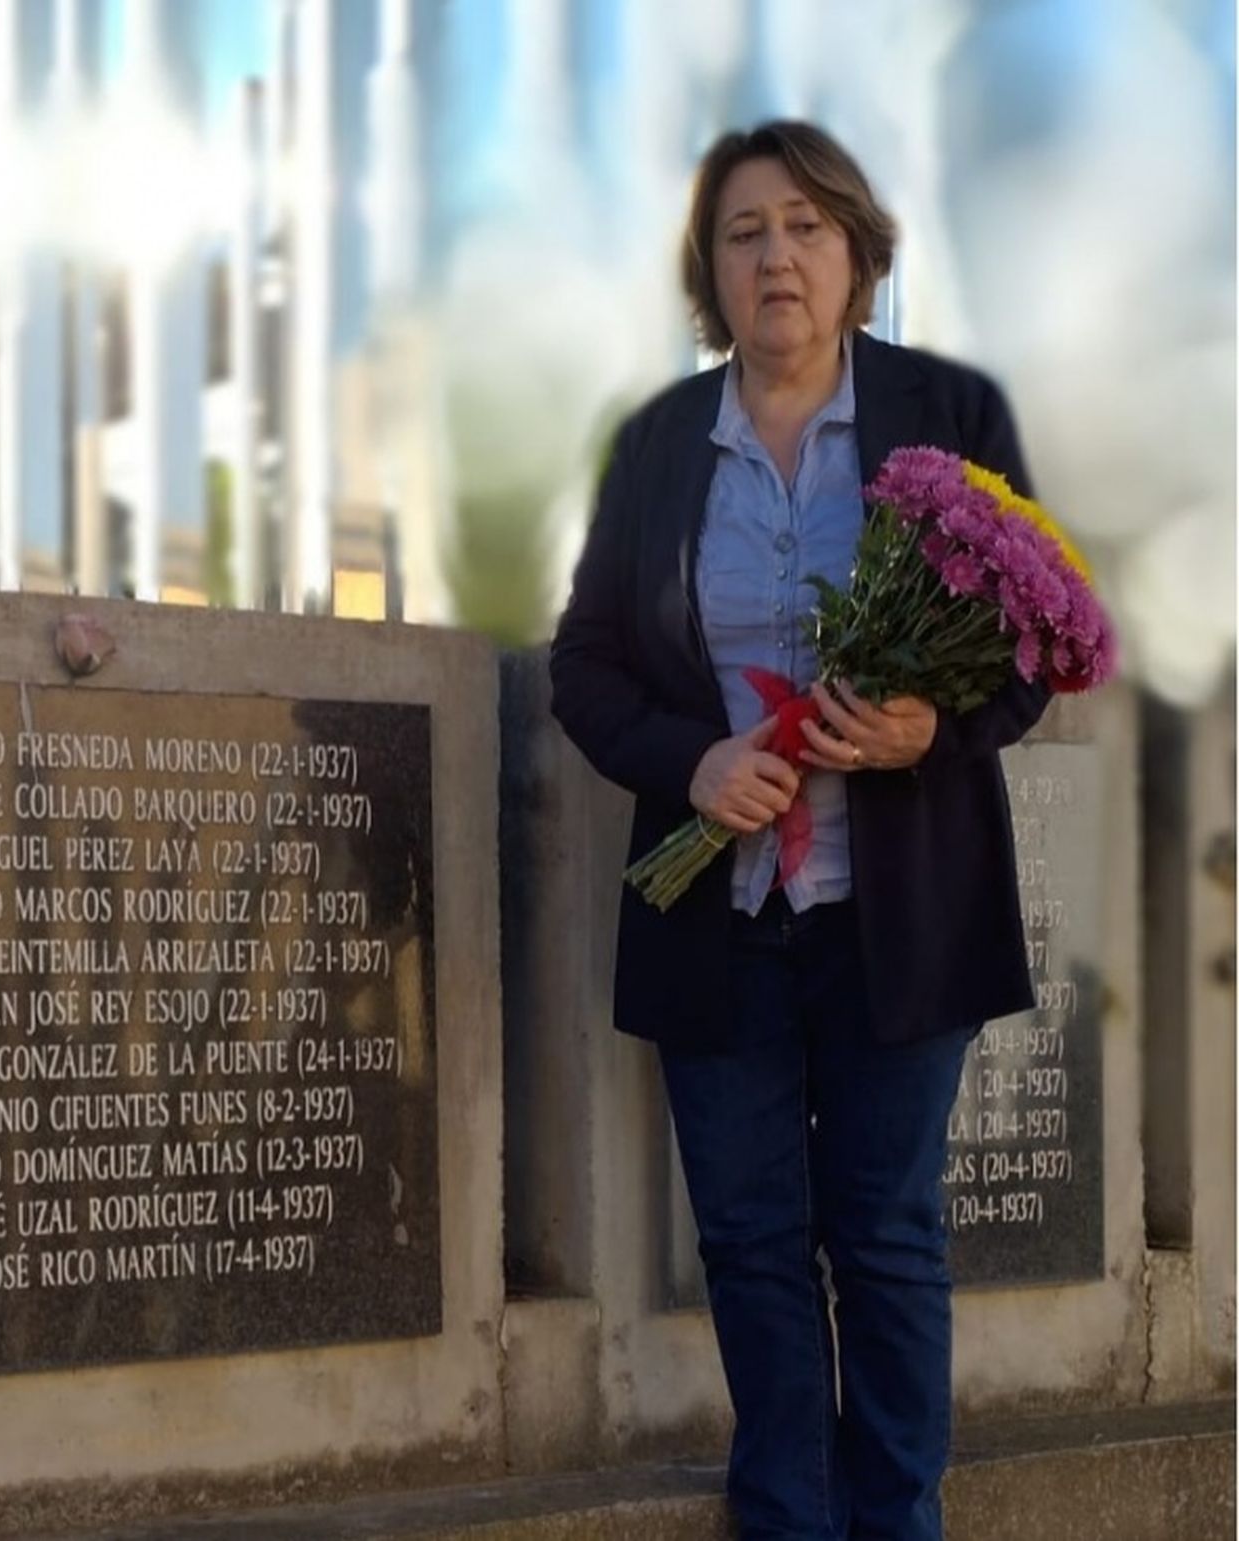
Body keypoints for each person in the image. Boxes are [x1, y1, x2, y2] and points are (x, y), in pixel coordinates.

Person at [549, 120, 1048, 1541]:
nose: (777, 255)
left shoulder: (949, 415)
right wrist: (694, 760)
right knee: (754, 1246)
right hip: (721, 918)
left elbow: (1028, 649)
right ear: (711, 269)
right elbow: (584, 668)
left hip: (899, 907)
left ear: (858, 255)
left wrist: (924, 731)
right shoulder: (655, 447)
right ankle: (785, 1516)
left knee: (887, 1240)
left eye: (806, 227)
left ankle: (897, 1518)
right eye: (744, 230)